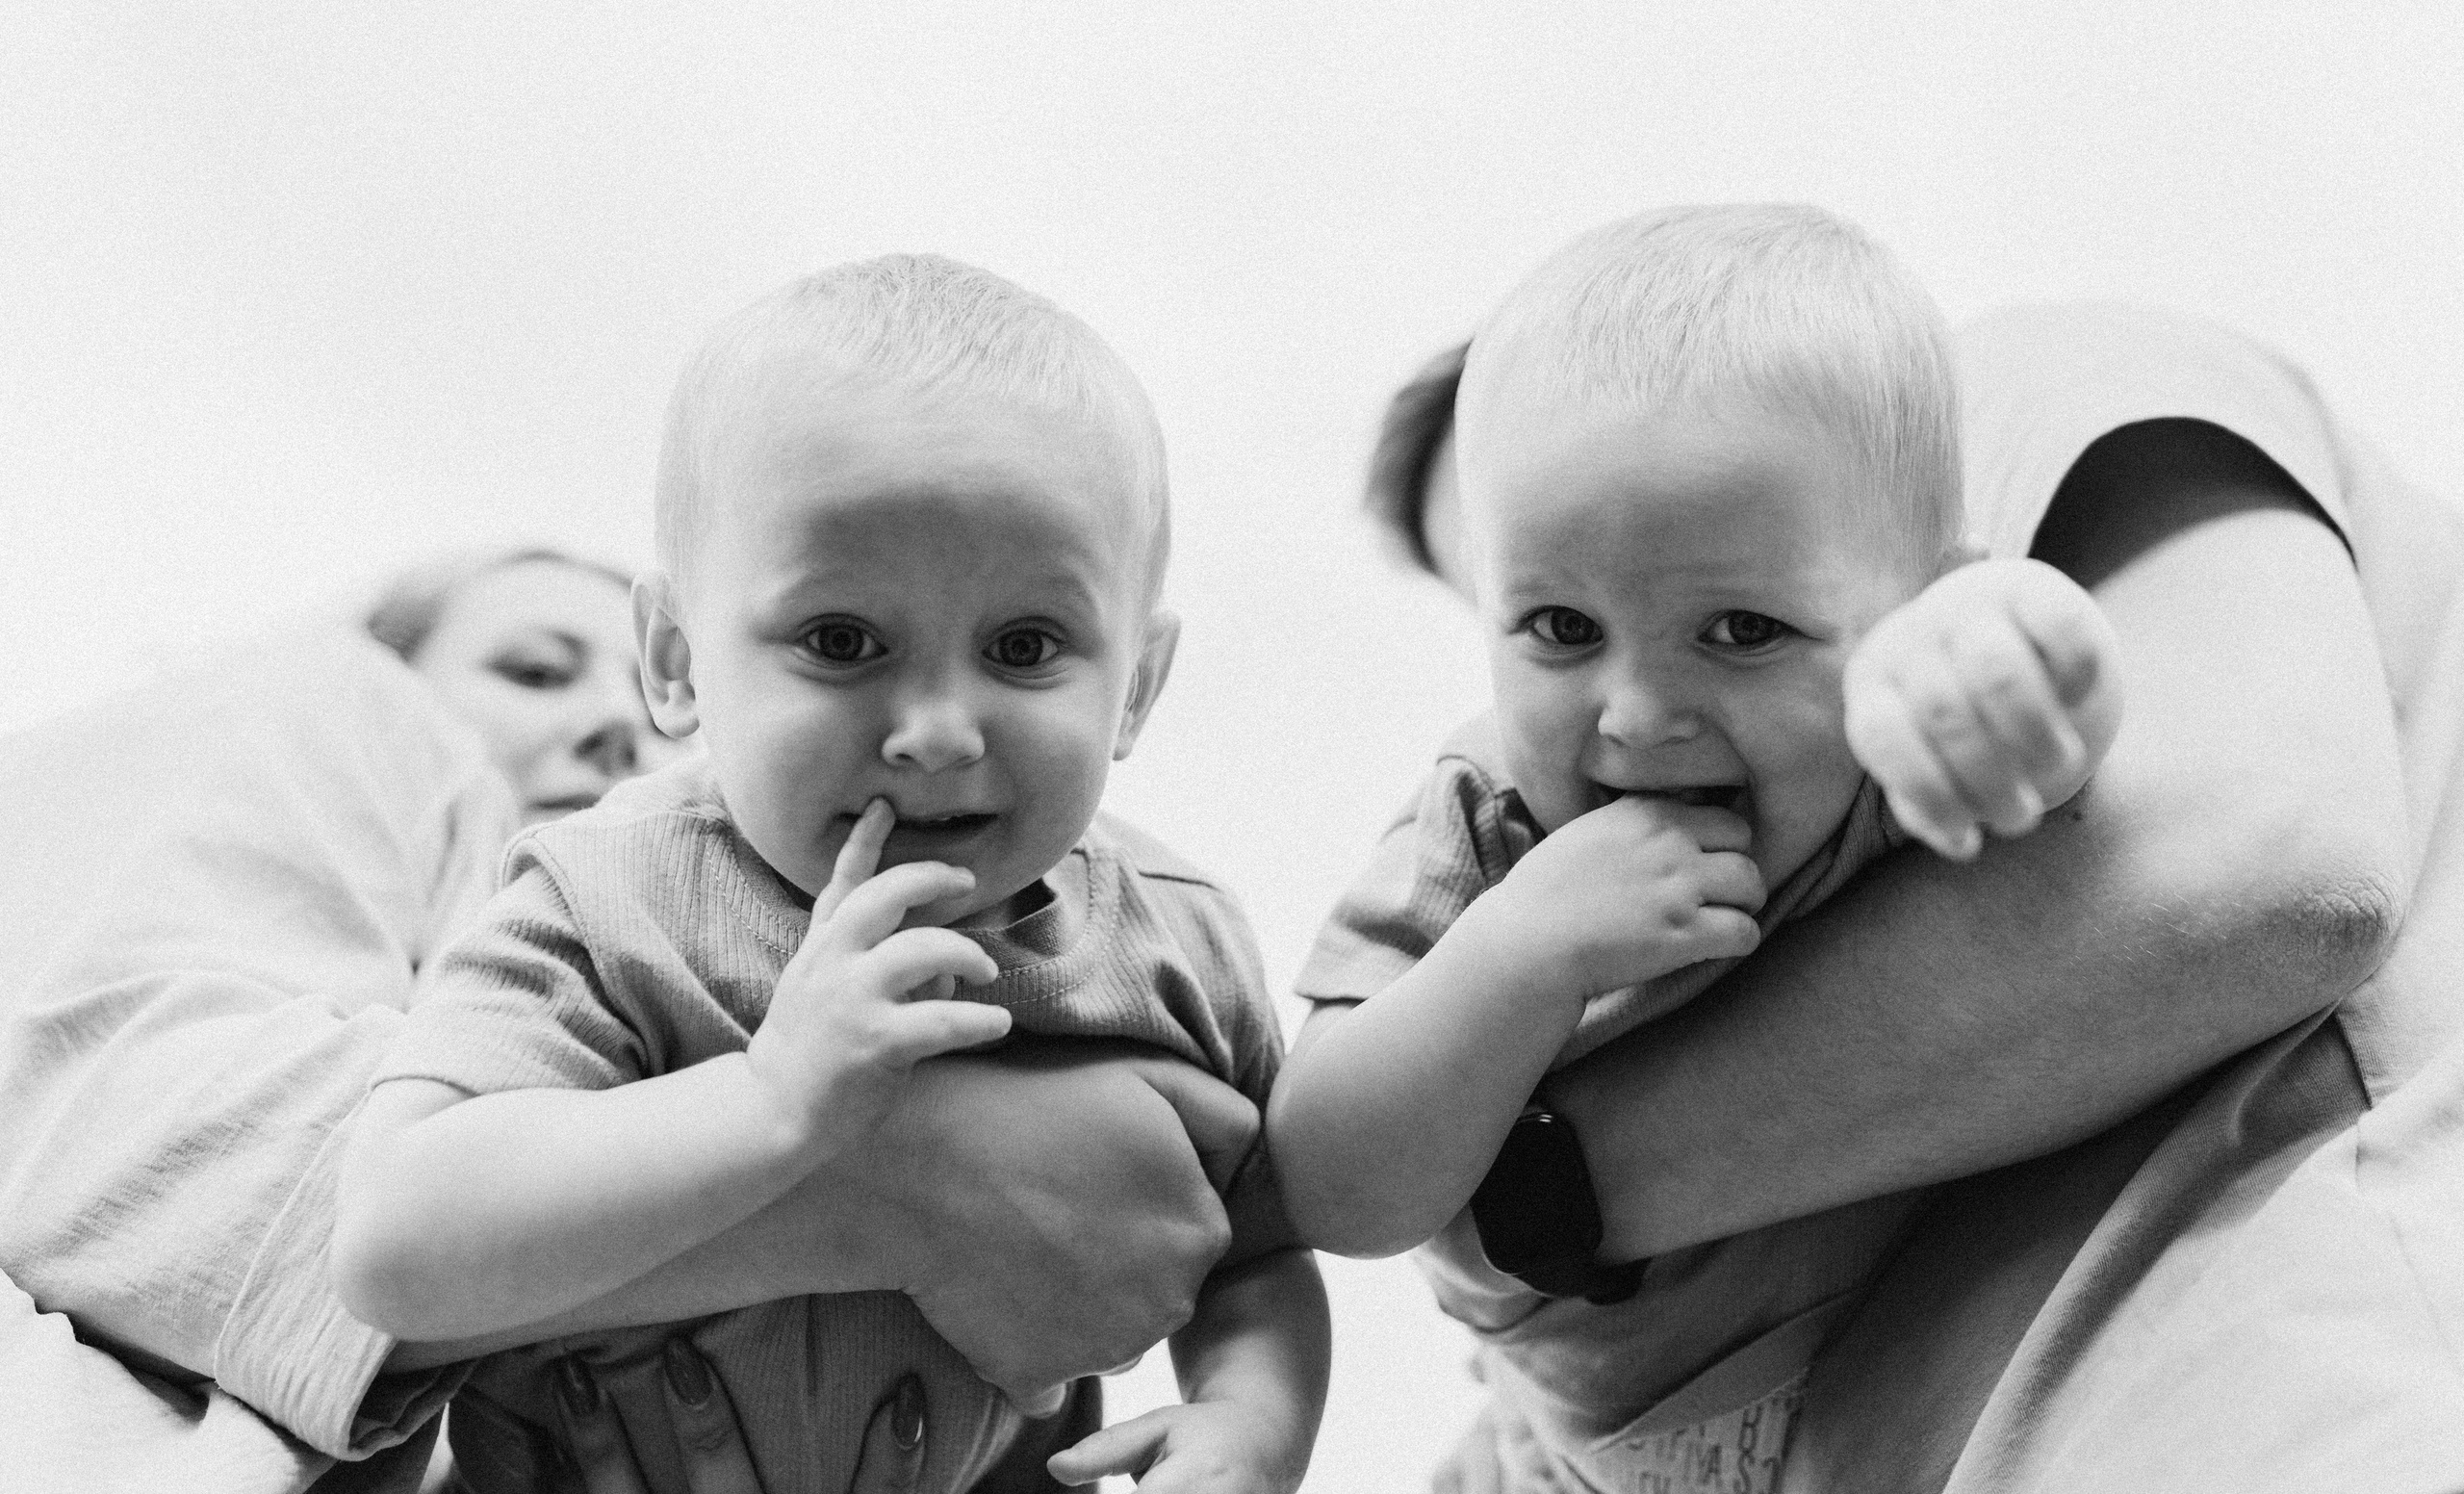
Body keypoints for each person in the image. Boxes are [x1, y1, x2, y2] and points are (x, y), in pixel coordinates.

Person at [1359, 296, 2464, 1490]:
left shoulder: (2042, 367)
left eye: (1711, 598)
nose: (1630, 713)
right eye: (1550, 621)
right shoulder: (1572, 865)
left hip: (2302, 1401)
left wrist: (1511, 1198)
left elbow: (2271, 855)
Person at [333, 256, 1330, 1494]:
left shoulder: (1172, 943)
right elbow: (395, 1242)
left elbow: (1250, 1253)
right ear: (678, 662)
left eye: (1024, 647)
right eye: (841, 642)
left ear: (1134, 686)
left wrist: (1251, 1419)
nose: (936, 731)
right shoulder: (606, 902)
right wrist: (767, 1103)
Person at [0, 537, 1260, 1493]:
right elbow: (119, 1107)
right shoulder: (339, 702)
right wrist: (912, 1176)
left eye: (673, 716)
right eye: (532, 667)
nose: (619, 720)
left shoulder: (721, 945)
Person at [1270, 207, 2124, 1489]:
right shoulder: (1485, 826)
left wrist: (2021, 635)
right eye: (1558, 623)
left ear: (1917, 605)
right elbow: (1329, 1185)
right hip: (1570, 1461)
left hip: (1919, 1401)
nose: (1635, 712)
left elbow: (2066, 744)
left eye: (1739, 628)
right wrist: (1520, 952)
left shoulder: (1891, 754)